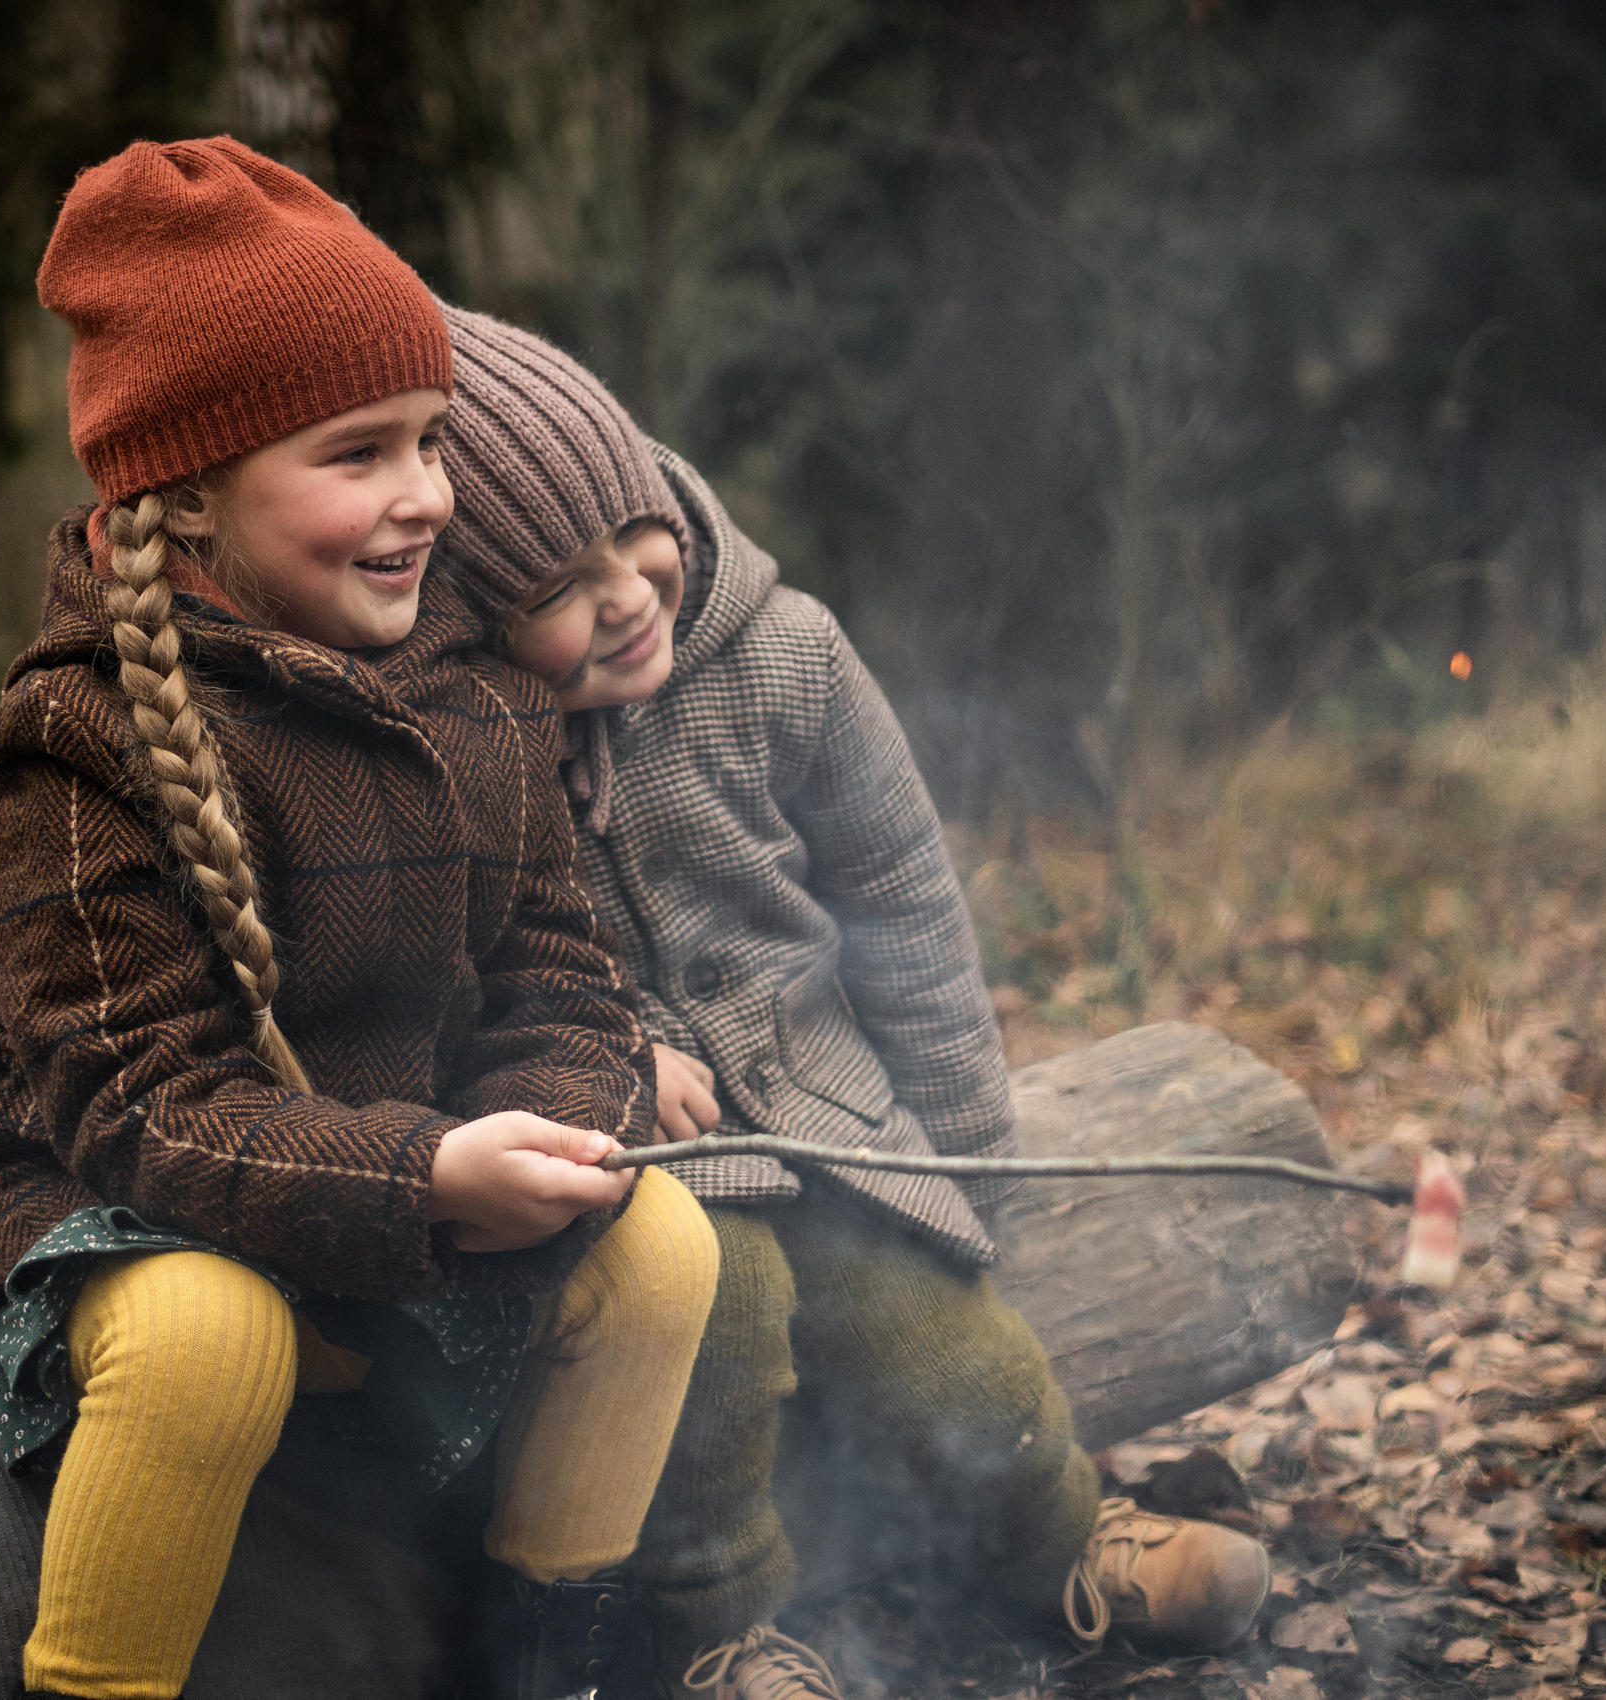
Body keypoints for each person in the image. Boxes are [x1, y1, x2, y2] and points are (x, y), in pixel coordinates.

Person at [0, 139, 717, 1700]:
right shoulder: (84, 736)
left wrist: (540, 1133)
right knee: (208, 1342)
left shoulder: (472, 691)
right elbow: (135, 1100)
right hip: (110, 1177)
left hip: (392, 1166)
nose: (425, 500)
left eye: (432, 440)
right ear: (188, 495)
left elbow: (557, 969)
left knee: (656, 1245)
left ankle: (548, 1655)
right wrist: (419, 1179)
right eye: (358, 456)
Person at [431, 307, 1271, 1700]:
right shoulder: (475, 757)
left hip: (827, 1097)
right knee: (718, 1323)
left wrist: (955, 1146)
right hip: (648, 1161)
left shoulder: (787, 656)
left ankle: (1059, 1540)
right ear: (472, 623)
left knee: (941, 1337)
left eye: (630, 542)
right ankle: (718, 1634)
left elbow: (904, 903)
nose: (627, 597)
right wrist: (610, 1057)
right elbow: (474, 970)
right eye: (562, 592)